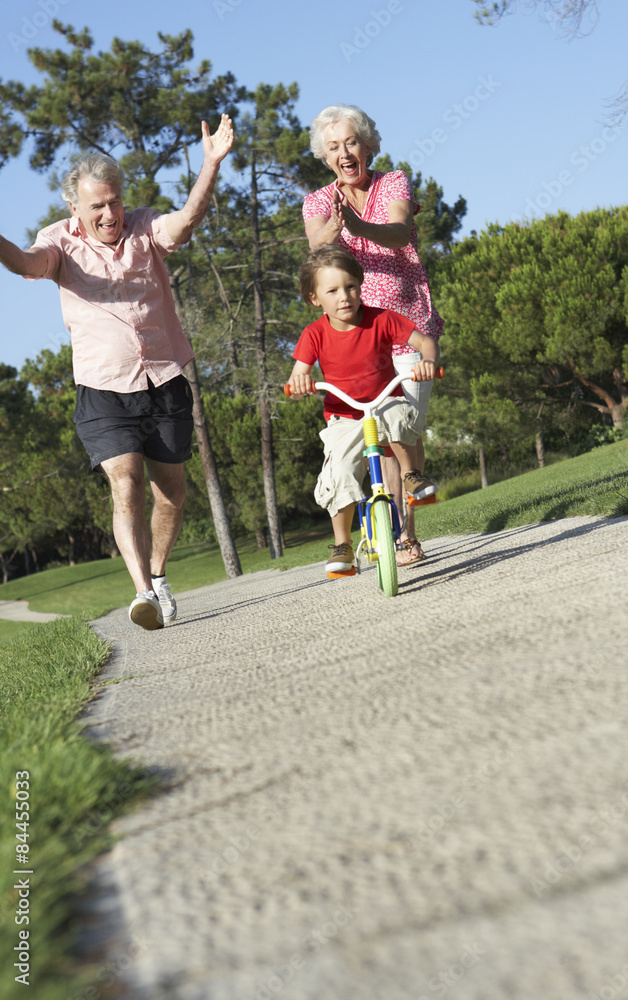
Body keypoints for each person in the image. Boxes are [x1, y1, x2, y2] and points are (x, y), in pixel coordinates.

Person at [0, 115, 234, 630]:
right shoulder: (59, 243)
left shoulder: (145, 227)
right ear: (74, 207)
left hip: (165, 377)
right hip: (104, 389)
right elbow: (22, 262)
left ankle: (157, 574)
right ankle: (142, 592)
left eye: (114, 201)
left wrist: (211, 164)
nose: (109, 213)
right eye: (97, 205)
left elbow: (187, 221)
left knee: (170, 490)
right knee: (125, 483)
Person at [303, 103, 444, 567]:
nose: (344, 152)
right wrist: (335, 226)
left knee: (405, 425)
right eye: (334, 147)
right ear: (325, 158)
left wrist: (359, 226)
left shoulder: (393, 181)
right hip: (359, 340)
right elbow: (318, 248)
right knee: (377, 432)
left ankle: (409, 517)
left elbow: (401, 232)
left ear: (369, 145)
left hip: (406, 327)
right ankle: (402, 536)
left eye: (351, 142)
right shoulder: (319, 201)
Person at [288, 246, 440, 575]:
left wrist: (427, 362)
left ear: (360, 286)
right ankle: (342, 544)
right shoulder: (313, 334)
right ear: (315, 298)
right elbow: (298, 374)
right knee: (338, 473)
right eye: (332, 291)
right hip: (344, 417)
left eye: (351, 286)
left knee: (399, 414)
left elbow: (425, 342)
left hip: (383, 402)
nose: (344, 296)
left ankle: (410, 475)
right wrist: (300, 382)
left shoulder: (381, 320)